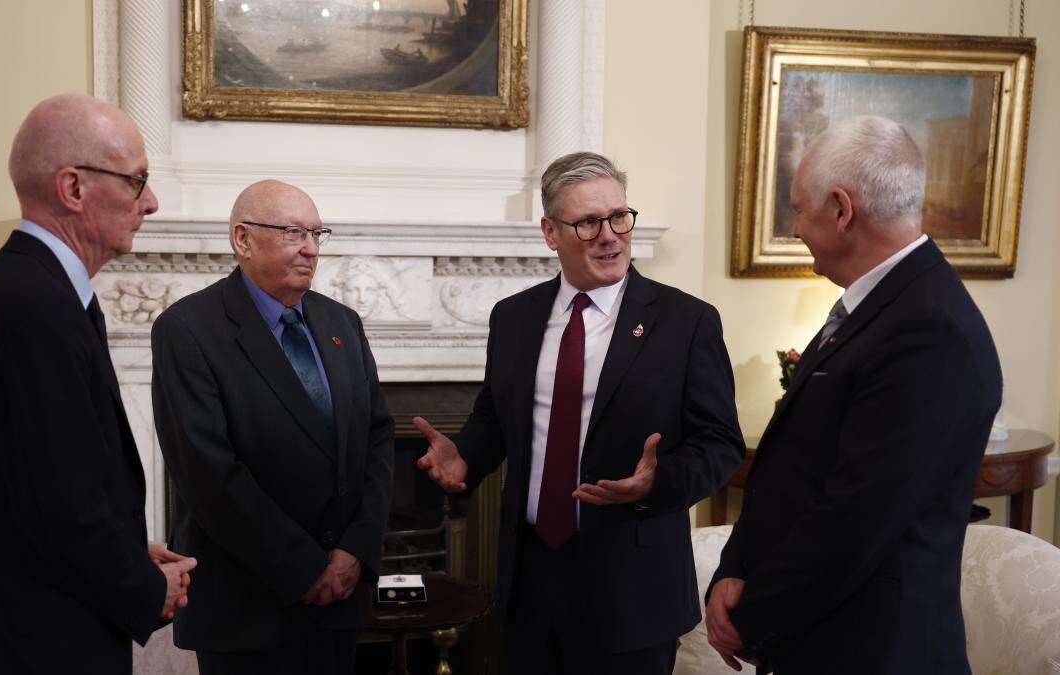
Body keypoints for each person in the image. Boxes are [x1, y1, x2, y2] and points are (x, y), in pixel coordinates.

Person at [0, 93, 196, 675]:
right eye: (137, 182)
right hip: (24, 644)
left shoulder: (28, 292)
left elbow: (36, 488)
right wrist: (141, 585)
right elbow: (62, 508)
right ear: (73, 188)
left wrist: (130, 555)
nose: (152, 202)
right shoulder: (30, 307)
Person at [415, 151, 745, 674]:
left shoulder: (687, 321)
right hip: (532, 575)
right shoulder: (515, 317)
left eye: (619, 217)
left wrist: (656, 484)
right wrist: (466, 459)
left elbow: (721, 441)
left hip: (632, 583)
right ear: (551, 232)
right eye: (589, 222)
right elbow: (496, 419)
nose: (610, 235)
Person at [705, 116, 1002, 674]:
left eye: (798, 208)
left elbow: (857, 515)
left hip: (873, 651)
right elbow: (791, 467)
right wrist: (734, 569)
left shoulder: (930, 329)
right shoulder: (874, 305)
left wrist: (753, 615)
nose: (794, 228)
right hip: (824, 638)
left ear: (842, 210)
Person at [151, 180, 394, 675]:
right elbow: (208, 473)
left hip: (338, 606)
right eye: (292, 232)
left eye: (316, 233)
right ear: (242, 239)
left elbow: (377, 438)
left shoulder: (342, 322)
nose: (310, 248)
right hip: (248, 612)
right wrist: (307, 570)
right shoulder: (188, 330)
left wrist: (354, 552)